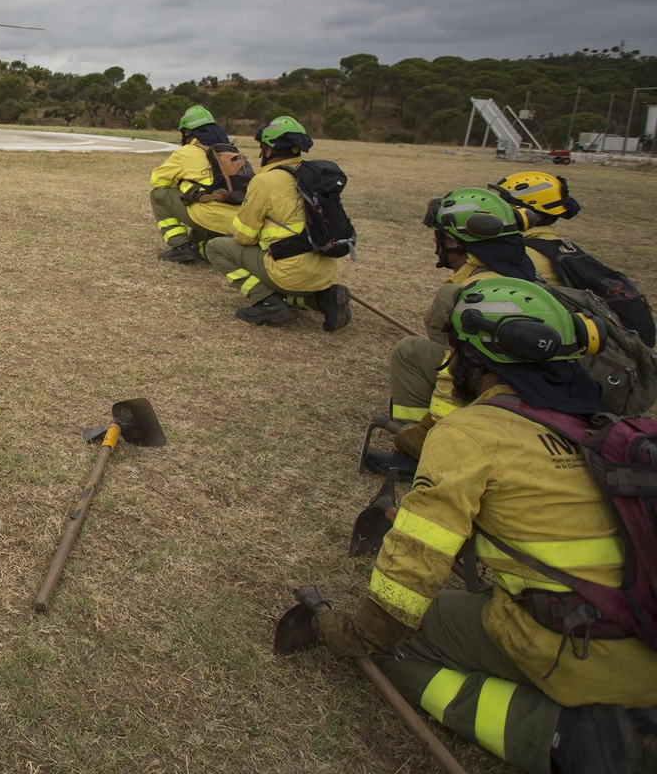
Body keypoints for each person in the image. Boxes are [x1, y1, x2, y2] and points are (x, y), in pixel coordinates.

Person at [311, 278, 656, 774]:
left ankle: (561, 736)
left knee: (398, 646)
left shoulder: (472, 433)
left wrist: (353, 633)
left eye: (454, 352)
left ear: (476, 361)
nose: (448, 363)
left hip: (586, 651)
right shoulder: (602, 426)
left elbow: (407, 580)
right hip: (646, 634)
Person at [370, 188, 565, 473]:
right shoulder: (525, 272)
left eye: (440, 237)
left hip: (496, 411)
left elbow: (456, 374)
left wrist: (431, 436)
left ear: (454, 241)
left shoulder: (468, 294)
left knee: (410, 350)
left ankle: (420, 450)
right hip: (540, 410)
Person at [203, 116, 350, 329]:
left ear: (270, 149)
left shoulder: (265, 181)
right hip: (324, 272)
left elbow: (244, 236)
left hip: (289, 272)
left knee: (216, 247)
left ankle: (266, 301)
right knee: (287, 271)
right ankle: (324, 299)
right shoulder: (314, 176)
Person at [148, 104, 243, 264]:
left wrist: (180, 183)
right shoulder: (232, 151)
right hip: (237, 222)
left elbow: (157, 180)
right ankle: (211, 247)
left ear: (187, 132)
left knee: (158, 195)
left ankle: (180, 247)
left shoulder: (186, 152)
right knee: (201, 243)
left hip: (207, 216)